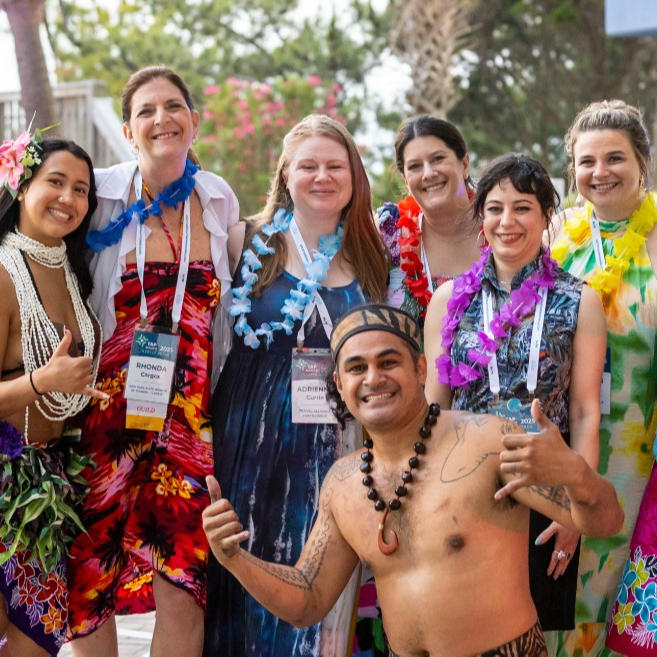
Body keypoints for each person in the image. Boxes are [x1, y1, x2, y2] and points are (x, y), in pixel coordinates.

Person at [203, 304, 624, 657]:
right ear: (339, 383)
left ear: (420, 369)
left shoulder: (489, 440)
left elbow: (605, 522)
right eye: (356, 367)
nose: (373, 379)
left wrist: (576, 474)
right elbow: (307, 600)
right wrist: (235, 558)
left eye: (389, 362)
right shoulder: (344, 483)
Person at [65, 66, 238, 657]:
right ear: (127, 128)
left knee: (187, 582)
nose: (161, 118)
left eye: (173, 106)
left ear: (194, 119)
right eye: (146, 110)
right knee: (89, 582)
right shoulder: (100, 194)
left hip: (189, 425)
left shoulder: (217, 198)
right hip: (105, 421)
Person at [203, 114, 388, 657]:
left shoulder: (372, 256)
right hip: (248, 445)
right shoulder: (244, 240)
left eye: (335, 166)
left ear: (354, 176)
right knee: (242, 577)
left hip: (333, 448)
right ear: (286, 173)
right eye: (308, 165)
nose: (322, 176)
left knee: (319, 587)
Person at [423, 154, 607, 635]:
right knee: (463, 634)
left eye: (523, 207)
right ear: (480, 218)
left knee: (534, 634)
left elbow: (587, 412)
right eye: (495, 208)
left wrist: (576, 507)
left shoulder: (579, 299)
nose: (508, 222)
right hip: (462, 491)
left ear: (548, 214)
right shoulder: (448, 301)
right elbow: (433, 409)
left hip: (547, 489)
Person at [546, 100, 657, 657]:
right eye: (586, 162)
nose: (600, 172)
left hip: (637, 461)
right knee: (557, 600)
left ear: (643, 162)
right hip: (562, 453)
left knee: (619, 601)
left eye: (616, 158)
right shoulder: (554, 238)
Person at [0, 135, 106, 656]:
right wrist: (42, 381)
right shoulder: (1, 273)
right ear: (22, 187)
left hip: (51, 484)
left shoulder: (72, 270)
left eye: (81, 189)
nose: (69, 198)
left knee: (34, 646)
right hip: (3, 482)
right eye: (55, 182)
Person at [377, 115, 480, 323]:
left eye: (438, 159)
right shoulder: (388, 231)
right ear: (406, 180)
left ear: (465, 164)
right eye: (415, 166)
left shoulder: (501, 224)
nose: (428, 173)